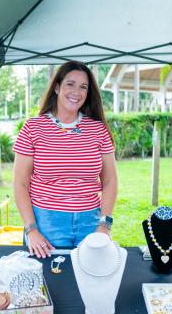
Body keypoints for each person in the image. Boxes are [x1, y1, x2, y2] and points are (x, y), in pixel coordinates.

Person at [13, 61, 118, 258]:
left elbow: (110, 180)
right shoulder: (32, 128)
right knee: (50, 282)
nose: (76, 91)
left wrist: (105, 225)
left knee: (89, 281)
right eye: (70, 84)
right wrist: (31, 230)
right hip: (46, 223)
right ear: (57, 87)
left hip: (90, 223)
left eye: (83, 87)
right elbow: (20, 184)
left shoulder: (98, 129)